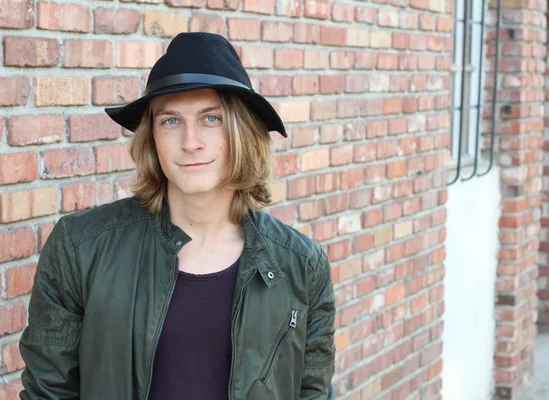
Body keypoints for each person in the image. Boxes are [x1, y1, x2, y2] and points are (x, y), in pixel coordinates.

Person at [19, 32, 336, 400]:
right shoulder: (81, 249)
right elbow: (47, 393)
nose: (190, 142)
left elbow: (312, 393)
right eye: (170, 121)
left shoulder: (302, 266)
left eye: (211, 118)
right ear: (152, 136)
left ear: (243, 131)